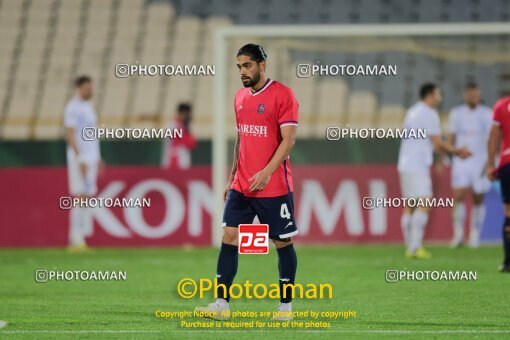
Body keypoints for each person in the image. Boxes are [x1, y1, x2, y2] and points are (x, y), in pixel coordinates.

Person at [196, 44, 299, 320]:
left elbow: (288, 140)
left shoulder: (283, 95)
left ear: (262, 65)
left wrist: (266, 172)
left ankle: (285, 307)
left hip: (273, 186)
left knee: (281, 241)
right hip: (242, 185)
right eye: (239, 66)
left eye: (247, 65)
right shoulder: (240, 97)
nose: (242, 71)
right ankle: (221, 305)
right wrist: (232, 178)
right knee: (229, 235)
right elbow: (241, 139)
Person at [398, 83, 471, 259]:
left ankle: (410, 247)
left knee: (410, 205)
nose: (440, 98)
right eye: (438, 94)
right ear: (429, 95)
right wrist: (456, 151)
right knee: (424, 203)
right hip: (417, 164)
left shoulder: (412, 111)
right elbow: (437, 143)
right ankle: (415, 248)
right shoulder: (428, 113)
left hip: (405, 163)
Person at [448, 83, 492, 248]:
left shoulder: (487, 114)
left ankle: (475, 235)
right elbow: (451, 136)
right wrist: (447, 156)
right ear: (466, 95)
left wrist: (490, 160)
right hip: (461, 161)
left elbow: (492, 139)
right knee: (458, 195)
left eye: (476, 95)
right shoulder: (457, 113)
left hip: (480, 161)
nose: (474, 98)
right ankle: (458, 235)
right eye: (471, 95)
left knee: (478, 198)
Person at [64, 76, 104, 252]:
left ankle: (81, 237)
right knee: (80, 196)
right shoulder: (73, 108)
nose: (90, 91)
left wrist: (97, 158)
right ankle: (75, 238)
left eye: (91, 88)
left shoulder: (88, 107)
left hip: (90, 158)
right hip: (79, 159)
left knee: (86, 197)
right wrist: (80, 158)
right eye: (87, 88)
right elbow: (70, 134)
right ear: (78, 88)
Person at [486, 94, 510, 272]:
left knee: (509, 212)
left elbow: (493, 136)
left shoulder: (501, 105)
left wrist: (490, 165)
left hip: (507, 162)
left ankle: (508, 261)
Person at [160, 103, 197, 169]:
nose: (188, 116)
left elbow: (192, 144)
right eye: (187, 114)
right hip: (172, 163)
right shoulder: (171, 126)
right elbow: (174, 141)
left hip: (183, 163)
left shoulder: (186, 127)